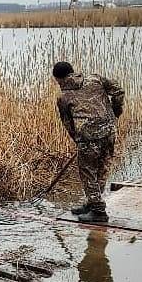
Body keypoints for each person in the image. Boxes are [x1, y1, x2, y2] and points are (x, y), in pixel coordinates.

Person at [52, 61, 124, 223]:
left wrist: (78, 140)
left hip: (88, 138)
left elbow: (68, 124)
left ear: (58, 79)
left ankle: (98, 212)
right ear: (73, 71)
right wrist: (115, 112)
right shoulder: (95, 79)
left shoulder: (63, 97)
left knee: (88, 173)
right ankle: (92, 203)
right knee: (102, 168)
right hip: (109, 132)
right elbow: (119, 91)